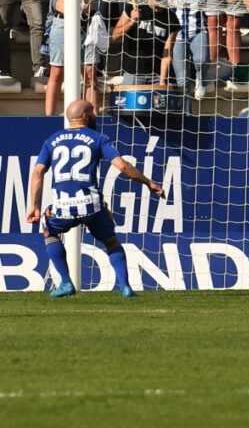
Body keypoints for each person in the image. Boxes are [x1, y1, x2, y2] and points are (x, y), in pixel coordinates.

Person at [26, 99, 162, 299]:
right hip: (92, 205)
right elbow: (123, 166)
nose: (95, 116)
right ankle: (125, 287)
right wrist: (148, 182)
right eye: (92, 112)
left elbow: (38, 172)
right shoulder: (97, 138)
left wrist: (35, 206)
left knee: (49, 231)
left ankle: (65, 283)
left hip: (62, 206)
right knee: (111, 241)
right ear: (85, 116)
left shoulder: (52, 139)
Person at [109, 0, 176, 86]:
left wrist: (162, 80)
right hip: (131, 74)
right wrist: (132, 22)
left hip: (156, 76)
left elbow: (168, 52)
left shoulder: (171, 18)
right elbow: (114, 37)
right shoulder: (133, 8)